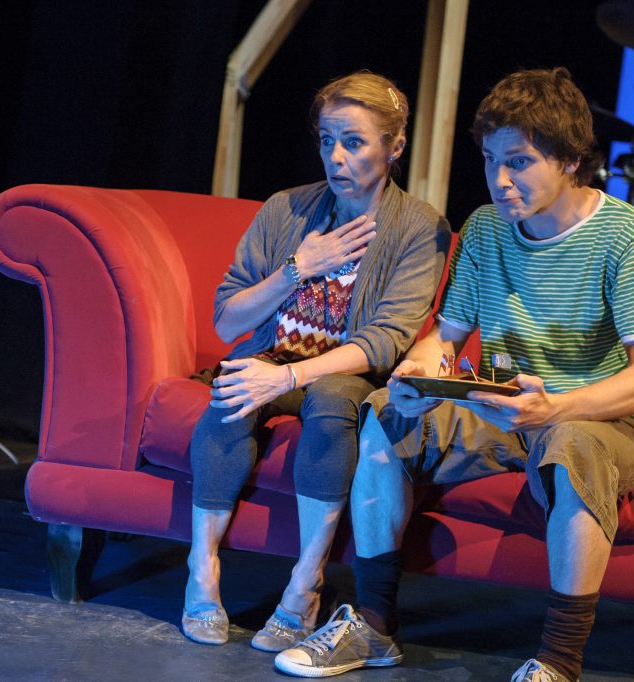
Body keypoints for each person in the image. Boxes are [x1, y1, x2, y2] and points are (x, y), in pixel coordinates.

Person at [274, 67, 634, 681]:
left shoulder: (631, 236)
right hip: (505, 407)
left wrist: (554, 408)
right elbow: (446, 334)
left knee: (572, 444)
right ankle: (375, 626)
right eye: (491, 160)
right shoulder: (487, 228)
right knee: (385, 412)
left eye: (519, 162)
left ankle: (559, 660)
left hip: (600, 418)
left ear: (571, 160)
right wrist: (420, 370)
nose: (500, 180)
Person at [182, 72, 450, 652]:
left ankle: (305, 584)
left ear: (395, 146)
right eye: (327, 140)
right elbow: (227, 321)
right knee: (231, 391)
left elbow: (386, 341)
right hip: (271, 356)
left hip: (344, 375)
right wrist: (297, 269)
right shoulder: (287, 209)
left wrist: (288, 376)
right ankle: (201, 569)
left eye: (354, 142)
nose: (336, 157)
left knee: (332, 401)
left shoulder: (418, 227)